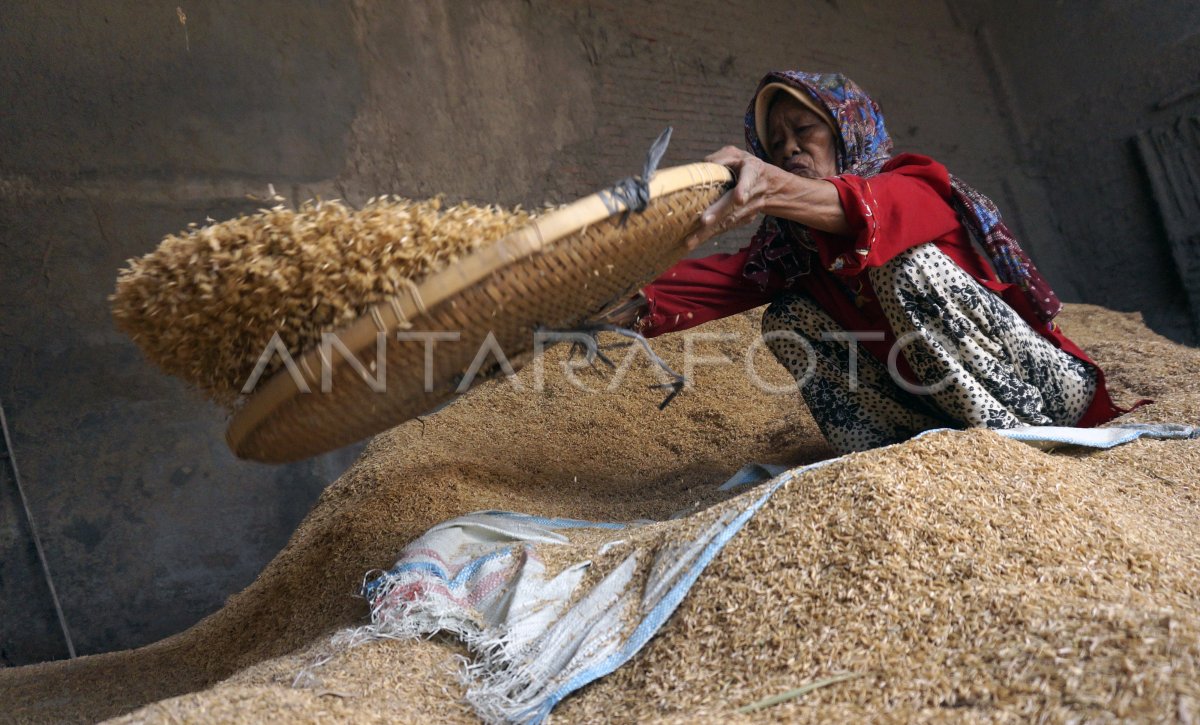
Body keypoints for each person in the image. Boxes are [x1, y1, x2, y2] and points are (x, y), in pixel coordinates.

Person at [614, 70, 1129, 455]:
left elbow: (858, 211)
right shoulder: (793, 248)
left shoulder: (911, 184)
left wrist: (769, 187)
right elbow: (705, 286)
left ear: (844, 130)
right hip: (938, 412)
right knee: (787, 318)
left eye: (803, 131)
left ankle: (1013, 447)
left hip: (1041, 391)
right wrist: (608, 301)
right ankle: (883, 456)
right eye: (775, 145)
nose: (789, 148)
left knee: (902, 267)